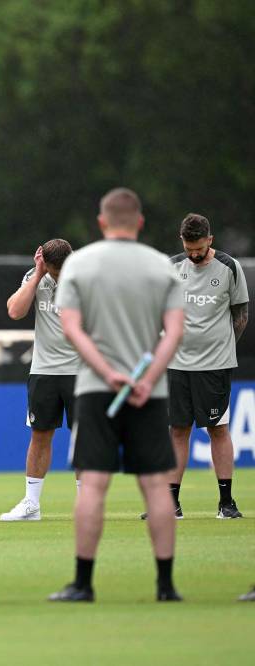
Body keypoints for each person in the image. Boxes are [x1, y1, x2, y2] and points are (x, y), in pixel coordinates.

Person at [49, 187, 184, 603]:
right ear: (140, 221)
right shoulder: (163, 267)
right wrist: (147, 378)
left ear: (102, 221)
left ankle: (83, 583)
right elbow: (175, 332)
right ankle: (165, 586)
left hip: (95, 390)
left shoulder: (80, 265)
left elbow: (71, 327)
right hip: (151, 392)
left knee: (93, 483)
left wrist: (108, 374)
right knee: (156, 487)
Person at [156, 213, 247, 519]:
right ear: (182, 241)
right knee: (177, 430)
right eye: (188, 247)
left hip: (215, 365)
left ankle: (226, 502)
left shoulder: (229, 267)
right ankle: (172, 503)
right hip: (177, 364)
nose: (194, 253)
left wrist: (221, 347)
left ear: (210, 239)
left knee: (217, 428)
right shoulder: (170, 268)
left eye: (199, 247)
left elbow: (241, 315)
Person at [0, 239, 80, 521]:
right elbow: (15, 310)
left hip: (82, 370)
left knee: (85, 436)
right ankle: (31, 504)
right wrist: (37, 275)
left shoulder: (84, 278)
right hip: (44, 370)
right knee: (40, 435)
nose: (58, 276)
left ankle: (86, 503)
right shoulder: (37, 277)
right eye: (53, 270)